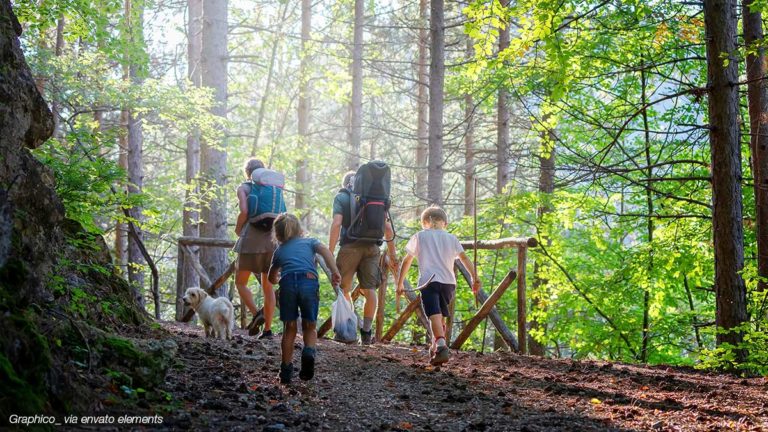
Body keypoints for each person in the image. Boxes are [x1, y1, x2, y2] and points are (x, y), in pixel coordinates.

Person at [396, 206, 480, 366]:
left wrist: (400, 283)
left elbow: (407, 260)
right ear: (445, 223)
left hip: (429, 282)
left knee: (433, 315)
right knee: (439, 315)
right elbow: (464, 258)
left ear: (424, 222)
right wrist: (474, 276)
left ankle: (441, 346)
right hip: (448, 283)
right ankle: (435, 347)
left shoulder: (419, 236)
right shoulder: (451, 238)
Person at [268, 213, 341, 384]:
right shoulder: (310, 242)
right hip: (308, 281)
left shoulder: (280, 251)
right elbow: (324, 250)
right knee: (310, 325)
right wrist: (334, 271)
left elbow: (271, 277)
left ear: (277, 234)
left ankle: (286, 371)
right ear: (299, 229)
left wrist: (277, 280)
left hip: (287, 285)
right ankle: (308, 351)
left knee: (290, 328)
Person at [328, 171, 397, 344]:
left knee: (344, 288)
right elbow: (388, 229)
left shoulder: (342, 197)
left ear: (346, 184)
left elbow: (337, 223)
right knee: (370, 290)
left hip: (350, 247)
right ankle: (366, 333)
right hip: (373, 247)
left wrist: (329, 251)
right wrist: (393, 254)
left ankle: (347, 330)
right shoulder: (375, 198)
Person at [234, 158, 276, 339]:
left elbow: (244, 211)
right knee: (269, 288)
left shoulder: (244, 187)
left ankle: (256, 313)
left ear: (247, 172)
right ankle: (267, 329)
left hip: (251, 240)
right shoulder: (273, 189)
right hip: (272, 241)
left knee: (240, 282)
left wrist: (237, 229)